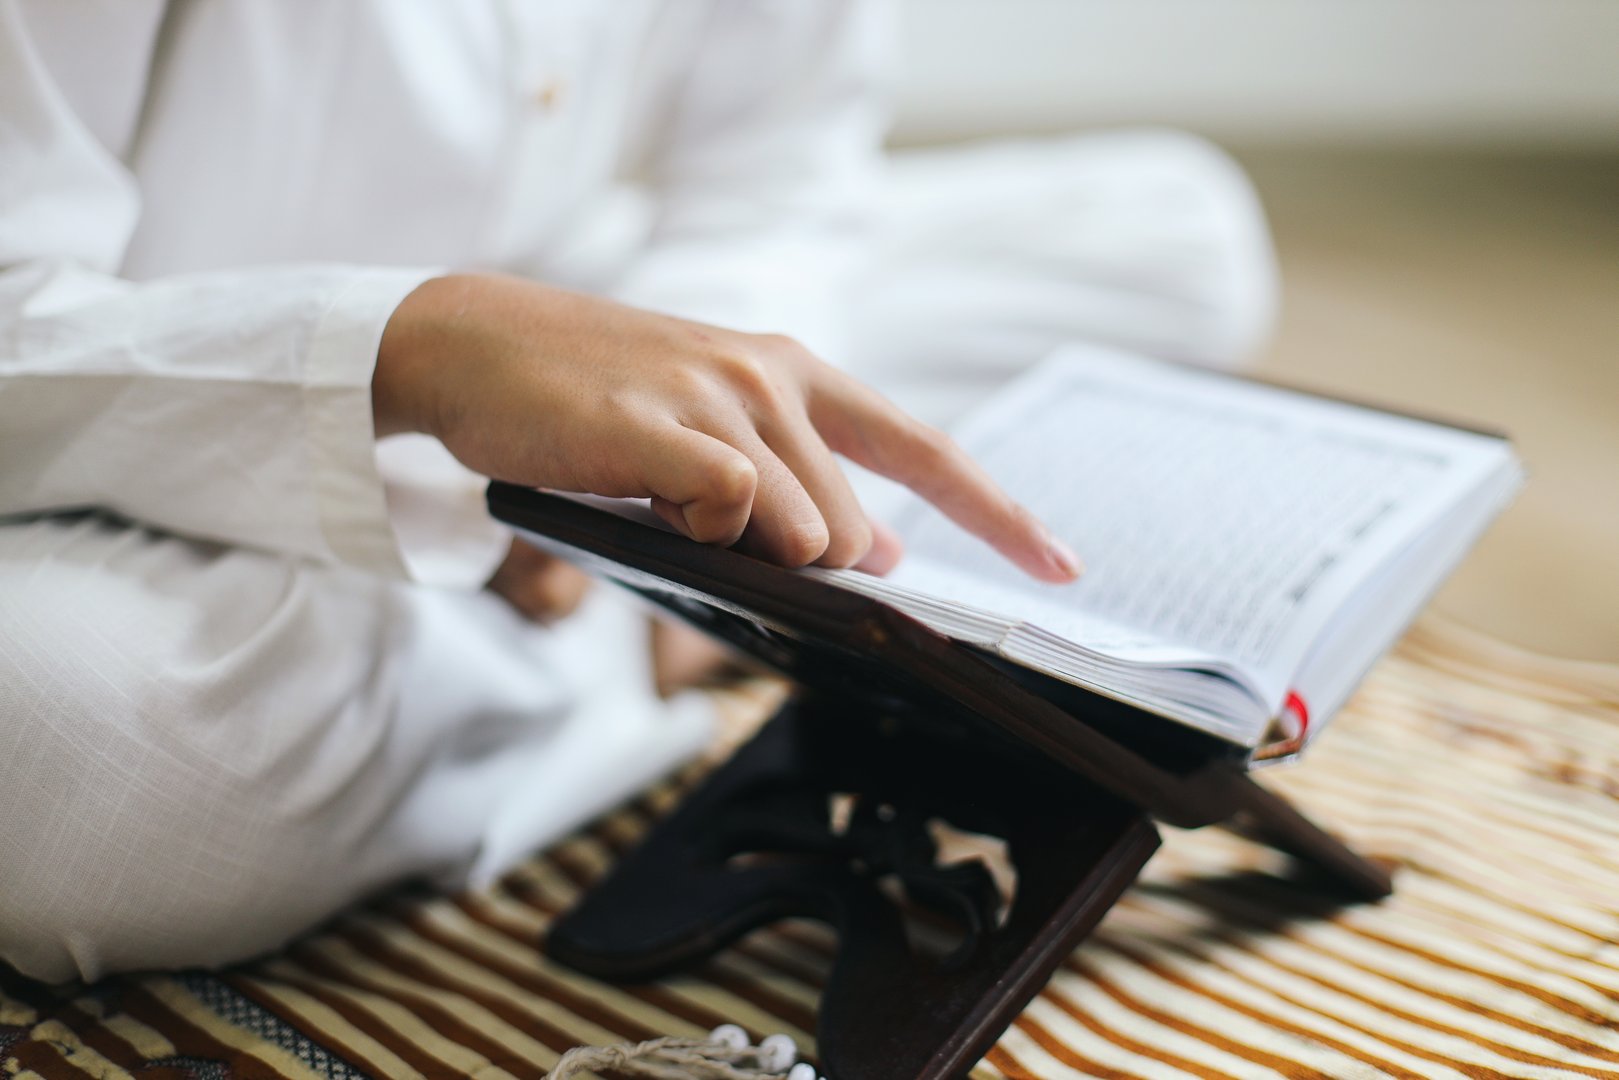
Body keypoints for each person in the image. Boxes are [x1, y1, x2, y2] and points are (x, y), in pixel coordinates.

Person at [0, 1, 1275, 984]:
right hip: (143, 428)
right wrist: (419, 355)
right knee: (52, 763)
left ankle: (619, 592)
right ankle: (608, 627)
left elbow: (771, 185)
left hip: (579, 310)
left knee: (1181, 236)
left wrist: (692, 472)